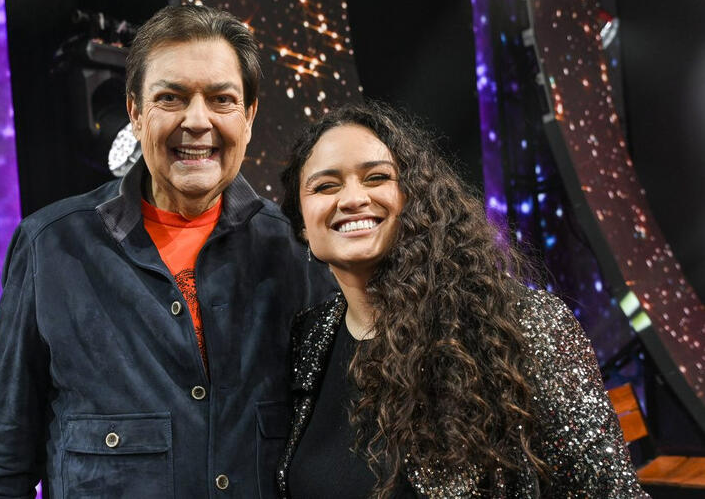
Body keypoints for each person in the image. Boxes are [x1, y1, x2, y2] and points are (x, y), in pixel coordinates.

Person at [0, 5, 333, 498]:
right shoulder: (49, 247)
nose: (196, 121)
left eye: (221, 99)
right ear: (136, 114)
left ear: (248, 118)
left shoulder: (297, 248)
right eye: (171, 98)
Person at [276, 102, 648, 498]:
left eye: (376, 177)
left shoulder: (522, 325)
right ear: (301, 224)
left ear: (414, 197)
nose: (352, 198)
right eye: (325, 186)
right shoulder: (307, 341)